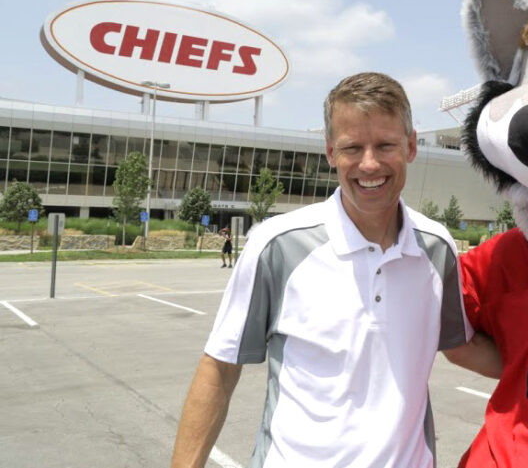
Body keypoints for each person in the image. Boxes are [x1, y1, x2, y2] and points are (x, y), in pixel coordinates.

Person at [171, 72, 502, 468]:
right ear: (330, 152)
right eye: (352, 147)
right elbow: (220, 367)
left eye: (385, 145)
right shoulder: (277, 245)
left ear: (412, 146)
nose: (369, 163)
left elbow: (460, 344)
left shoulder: (437, 248)